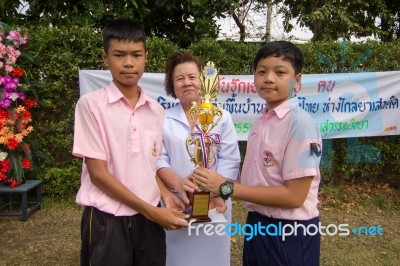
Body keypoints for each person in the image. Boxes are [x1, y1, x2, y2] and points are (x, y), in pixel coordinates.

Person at [193, 41, 322, 266]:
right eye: (262, 72)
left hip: (290, 231)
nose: (269, 78)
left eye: (280, 72)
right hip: (257, 224)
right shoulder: (261, 122)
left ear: (297, 81)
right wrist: (218, 193)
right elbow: (256, 178)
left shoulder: (300, 124)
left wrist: (226, 187)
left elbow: (294, 197)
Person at [72, 19, 187, 266]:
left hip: (149, 221)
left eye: (136, 55)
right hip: (106, 219)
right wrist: (153, 211)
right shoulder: (91, 105)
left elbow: (147, 165)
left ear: (145, 57)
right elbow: (98, 175)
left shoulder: (155, 110)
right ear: (105, 58)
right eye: (119, 55)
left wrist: (165, 194)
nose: (128, 63)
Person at [156, 51, 241, 266]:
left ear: (203, 81)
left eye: (192, 77)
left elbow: (230, 159)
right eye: (179, 78)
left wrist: (217, 192)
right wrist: (178, 183)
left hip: (215, 203)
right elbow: (158, 159)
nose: (187, 83)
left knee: (213, 258)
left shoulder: (221, 116)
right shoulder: (162, 118)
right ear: (171, 84)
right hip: (178, 201)